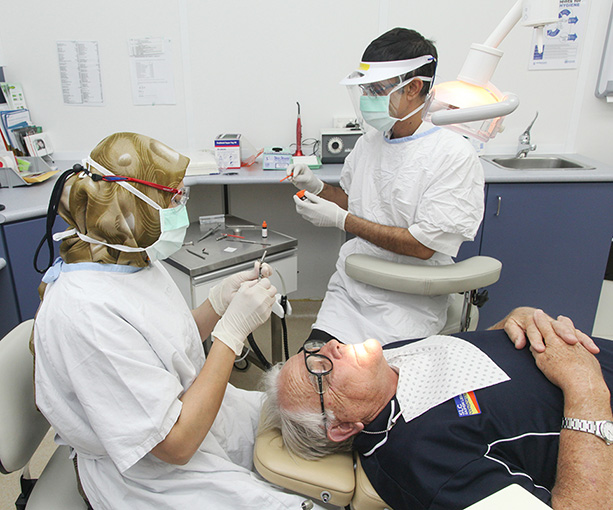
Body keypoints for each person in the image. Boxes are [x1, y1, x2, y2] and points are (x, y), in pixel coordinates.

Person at [32, 132, 327, 509]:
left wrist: (217, 305)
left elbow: (156, 342)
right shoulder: (86, 311)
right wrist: (230, 335)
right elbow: (176, 445)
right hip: (150, 473)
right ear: (129, 204)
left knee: (300, 426)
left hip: (194, 414)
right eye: (173, 198)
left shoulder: (127, 257)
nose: (179, 206)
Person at [262, 308, 613, 509]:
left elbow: (467, 375)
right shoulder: (424, 460)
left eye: (314, 352)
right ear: (341, 427)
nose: (333, 346)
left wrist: (511, 326)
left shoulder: (388, 361)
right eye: (319, 371)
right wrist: (586, 387)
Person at [285, 27, 485, 346]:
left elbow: (423, 246)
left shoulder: (452, 155)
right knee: (309, 378)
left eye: (376, 90)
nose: (367, 100)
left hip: (408, 304)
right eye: (365, 90)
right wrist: (318, 186)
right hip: (351, 292)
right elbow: (354, 201)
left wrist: (341, 221)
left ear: (413, 88)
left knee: (366, 390)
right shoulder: (370, 144)